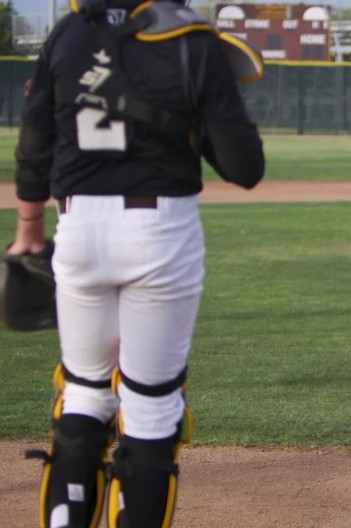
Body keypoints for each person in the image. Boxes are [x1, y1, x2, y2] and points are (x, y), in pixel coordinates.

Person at [8, 0, 265, 526]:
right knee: (150, 403)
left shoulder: (68, 32)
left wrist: (28, 230)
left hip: (76, 228)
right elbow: (245, 168)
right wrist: (197, 119)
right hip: (158, 232)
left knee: (83, 390)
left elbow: (35, 140)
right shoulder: (193, 40)